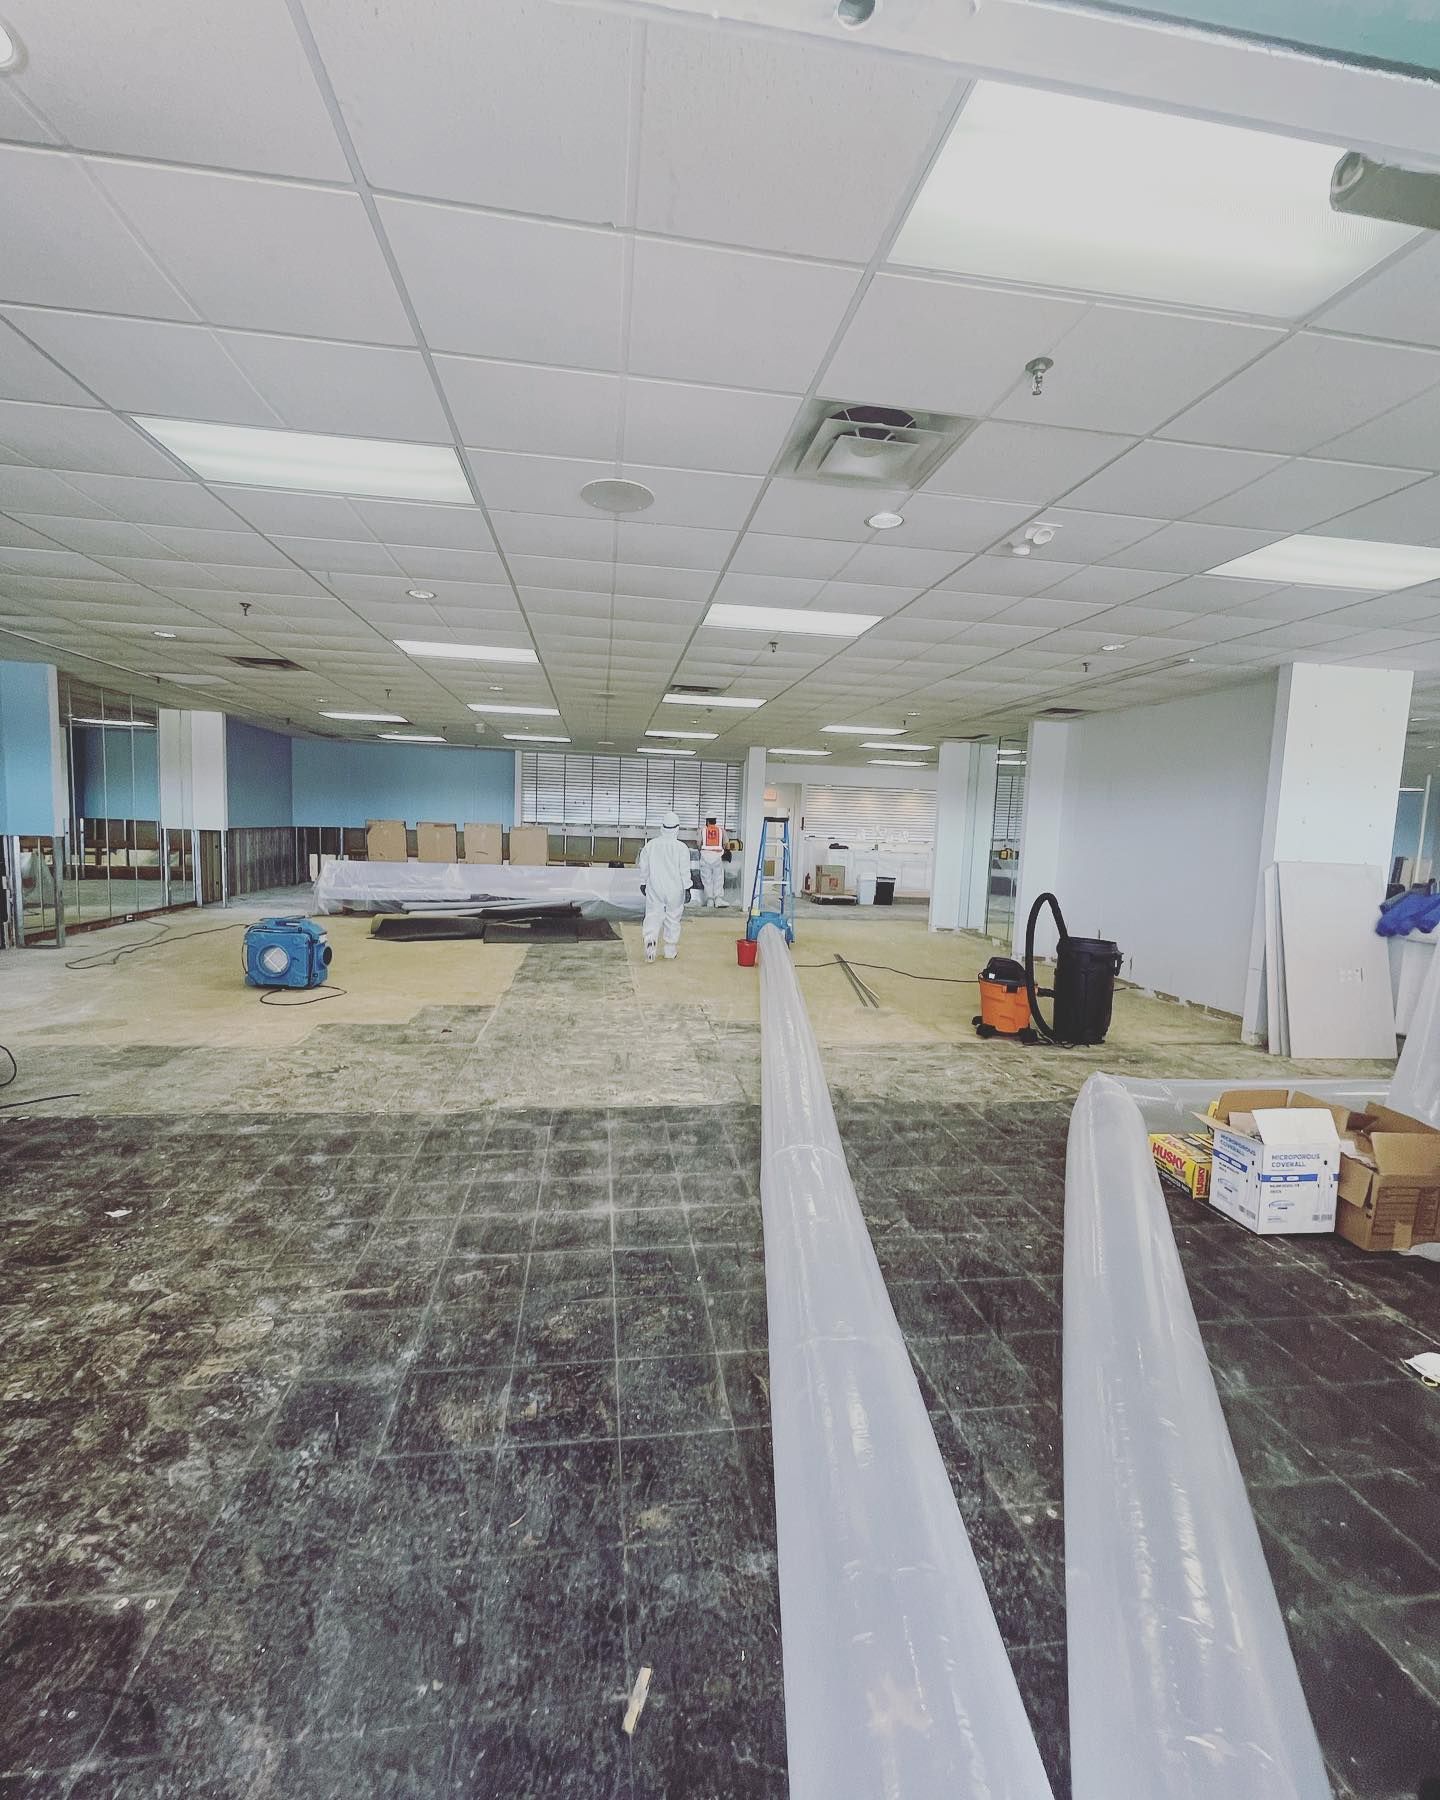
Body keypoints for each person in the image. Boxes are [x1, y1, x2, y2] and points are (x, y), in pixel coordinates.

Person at [638, 810, 692, 962]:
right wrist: (687, 888)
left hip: (655, 887)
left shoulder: (651, 845)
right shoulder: (681, 848)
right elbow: (685, 871)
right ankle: (670, 949)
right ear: (677, 828)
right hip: (675, 889)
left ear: (662, 827)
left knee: (653, 915)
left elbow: (644, 867)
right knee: (673, 917)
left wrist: (643, 883)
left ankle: (650, 941)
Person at [698, 815, 726, 908]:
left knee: (707, 879)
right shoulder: (721, 830)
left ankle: (710, 901)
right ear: (715, 821)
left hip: (705, 857)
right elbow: (726, 843)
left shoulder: (702, 830)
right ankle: (718, 900)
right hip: (717, 857)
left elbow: (698, 843)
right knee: (718, 878)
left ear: (707, 821)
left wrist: (702, 850)